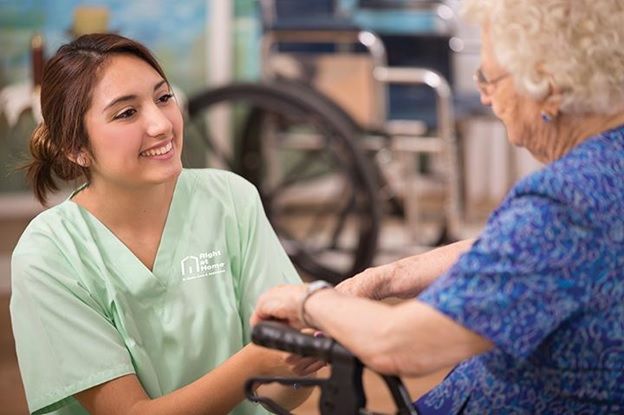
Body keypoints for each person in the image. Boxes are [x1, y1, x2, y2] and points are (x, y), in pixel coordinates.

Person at [251, 0, 624, 413]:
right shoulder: (606, 170)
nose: (484, 98)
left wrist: (309, 301)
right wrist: (384, 279)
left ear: (548, 88)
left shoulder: (564, 205)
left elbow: (401, 346)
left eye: (489, 79)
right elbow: (521, 255)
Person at [10, 33, 321, 415]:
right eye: (126, 113)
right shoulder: (49, 255)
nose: (161, 124)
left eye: (163, 97)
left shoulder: (231, 199)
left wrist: (297, 363)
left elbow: (278, 391)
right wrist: (256, 363)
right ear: (75, 147)